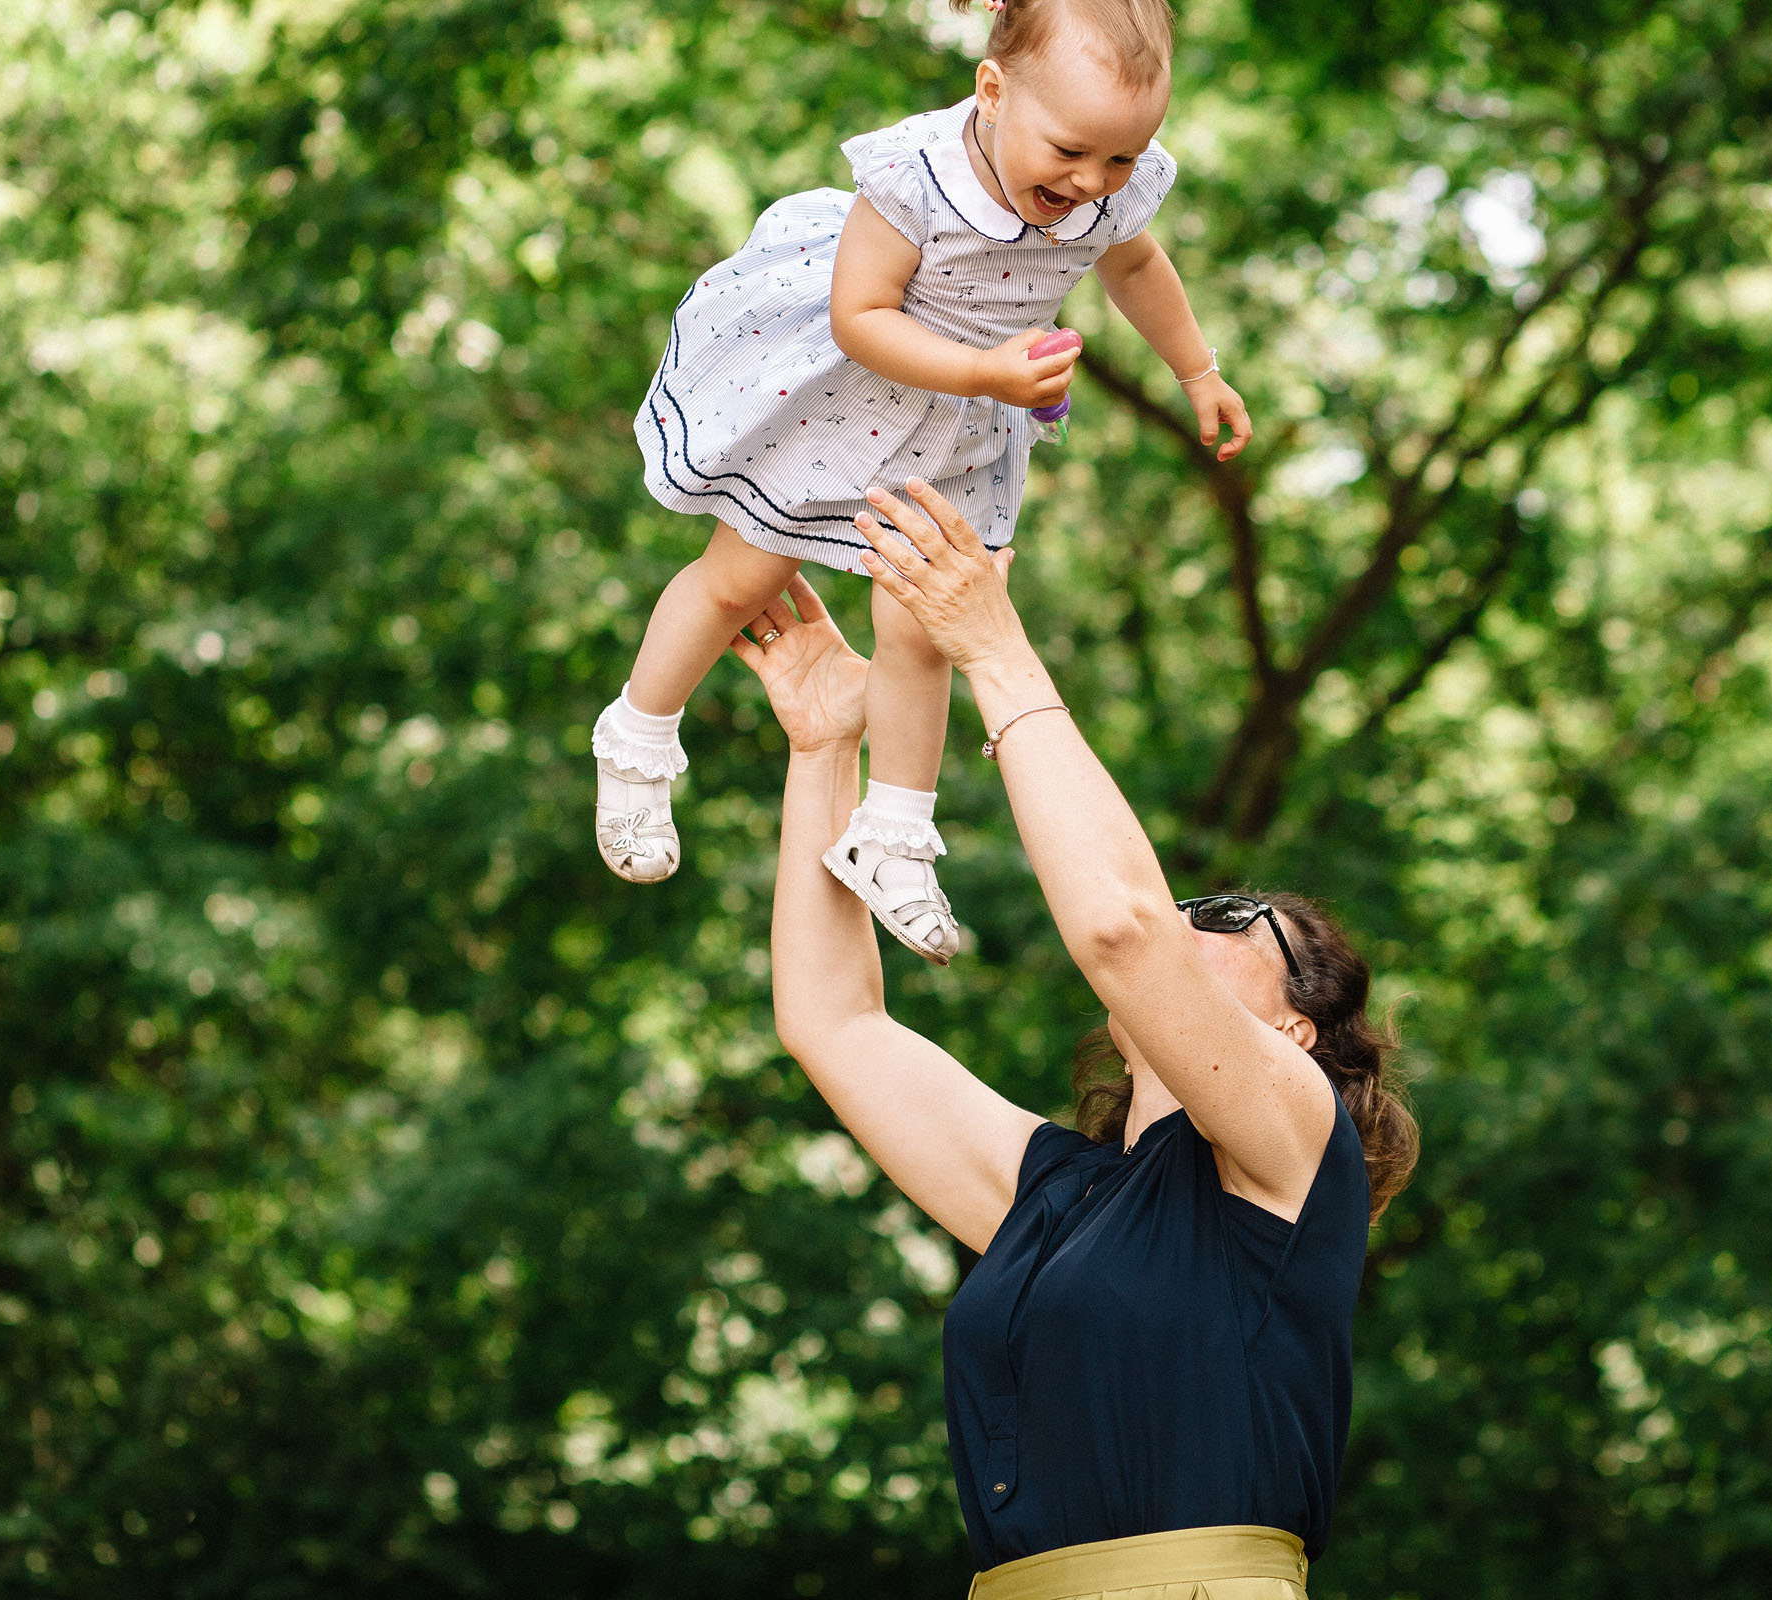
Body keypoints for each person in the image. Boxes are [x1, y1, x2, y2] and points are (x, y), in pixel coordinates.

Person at [729, 479, 1417, 1600]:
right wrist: (824, 747)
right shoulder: (1055, 1196)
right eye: (1197, 898)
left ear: (1294, 1027)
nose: (1194, 912)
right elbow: (832, 1022)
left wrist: (994, 645)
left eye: (1239, 918)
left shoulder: (1291, 1148)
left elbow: (1120, 924)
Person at [593, 0, 1252, 972]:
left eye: (1121, 160)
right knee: (742, 577)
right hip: (848, 393)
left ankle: (894, 833)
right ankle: (637, 736)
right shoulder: (917, 178)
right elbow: (859, 316)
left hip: (954, 431)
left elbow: (1137, 264)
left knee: (922, 628)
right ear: (992, 93)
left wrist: (1197, 370)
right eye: (1072, 151)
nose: (1091, 184)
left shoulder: (1108, 194)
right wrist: (987, 370)